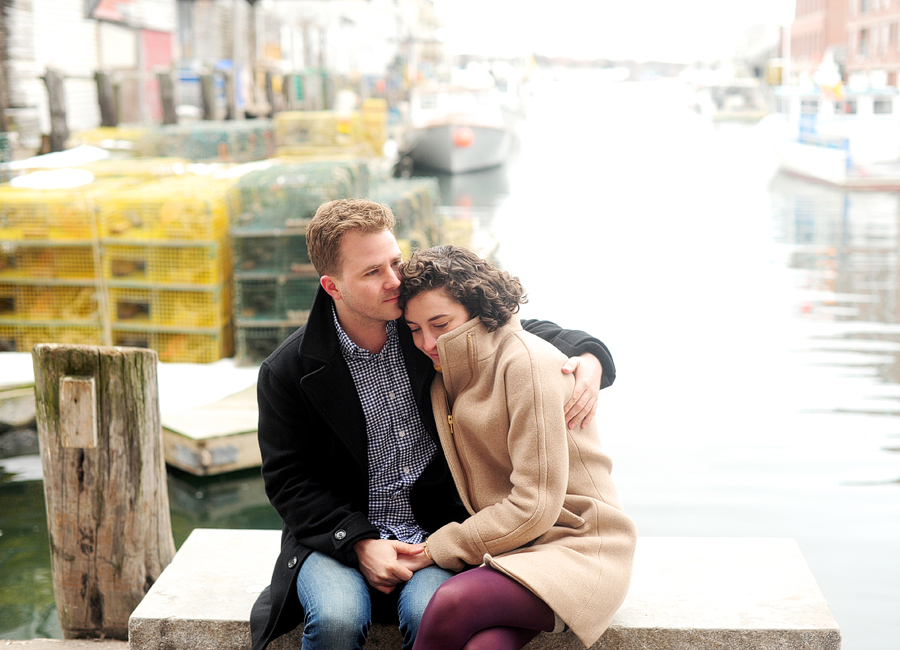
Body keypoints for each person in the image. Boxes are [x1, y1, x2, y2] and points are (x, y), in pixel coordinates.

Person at [249, 199, 617, 650]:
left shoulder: (421, 328)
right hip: (340, 536)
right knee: (336, 619)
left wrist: (589, 356)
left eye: (395, 262)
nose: (392, 282)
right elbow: (289, 481)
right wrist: (359, 543)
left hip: (437, 530)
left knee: (430, 614)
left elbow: (505, 326)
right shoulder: (286, 370)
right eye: (371, 272)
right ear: (333, 286)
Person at [398, 245, 637, 650]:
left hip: (579, 547)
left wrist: (435, 549)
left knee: (451, 602)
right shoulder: (446, 376)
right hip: (515, 549)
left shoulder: (527, 364)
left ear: (477, 310)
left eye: (440, 323)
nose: (427, 342)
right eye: (415, 329)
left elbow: (535, 505)